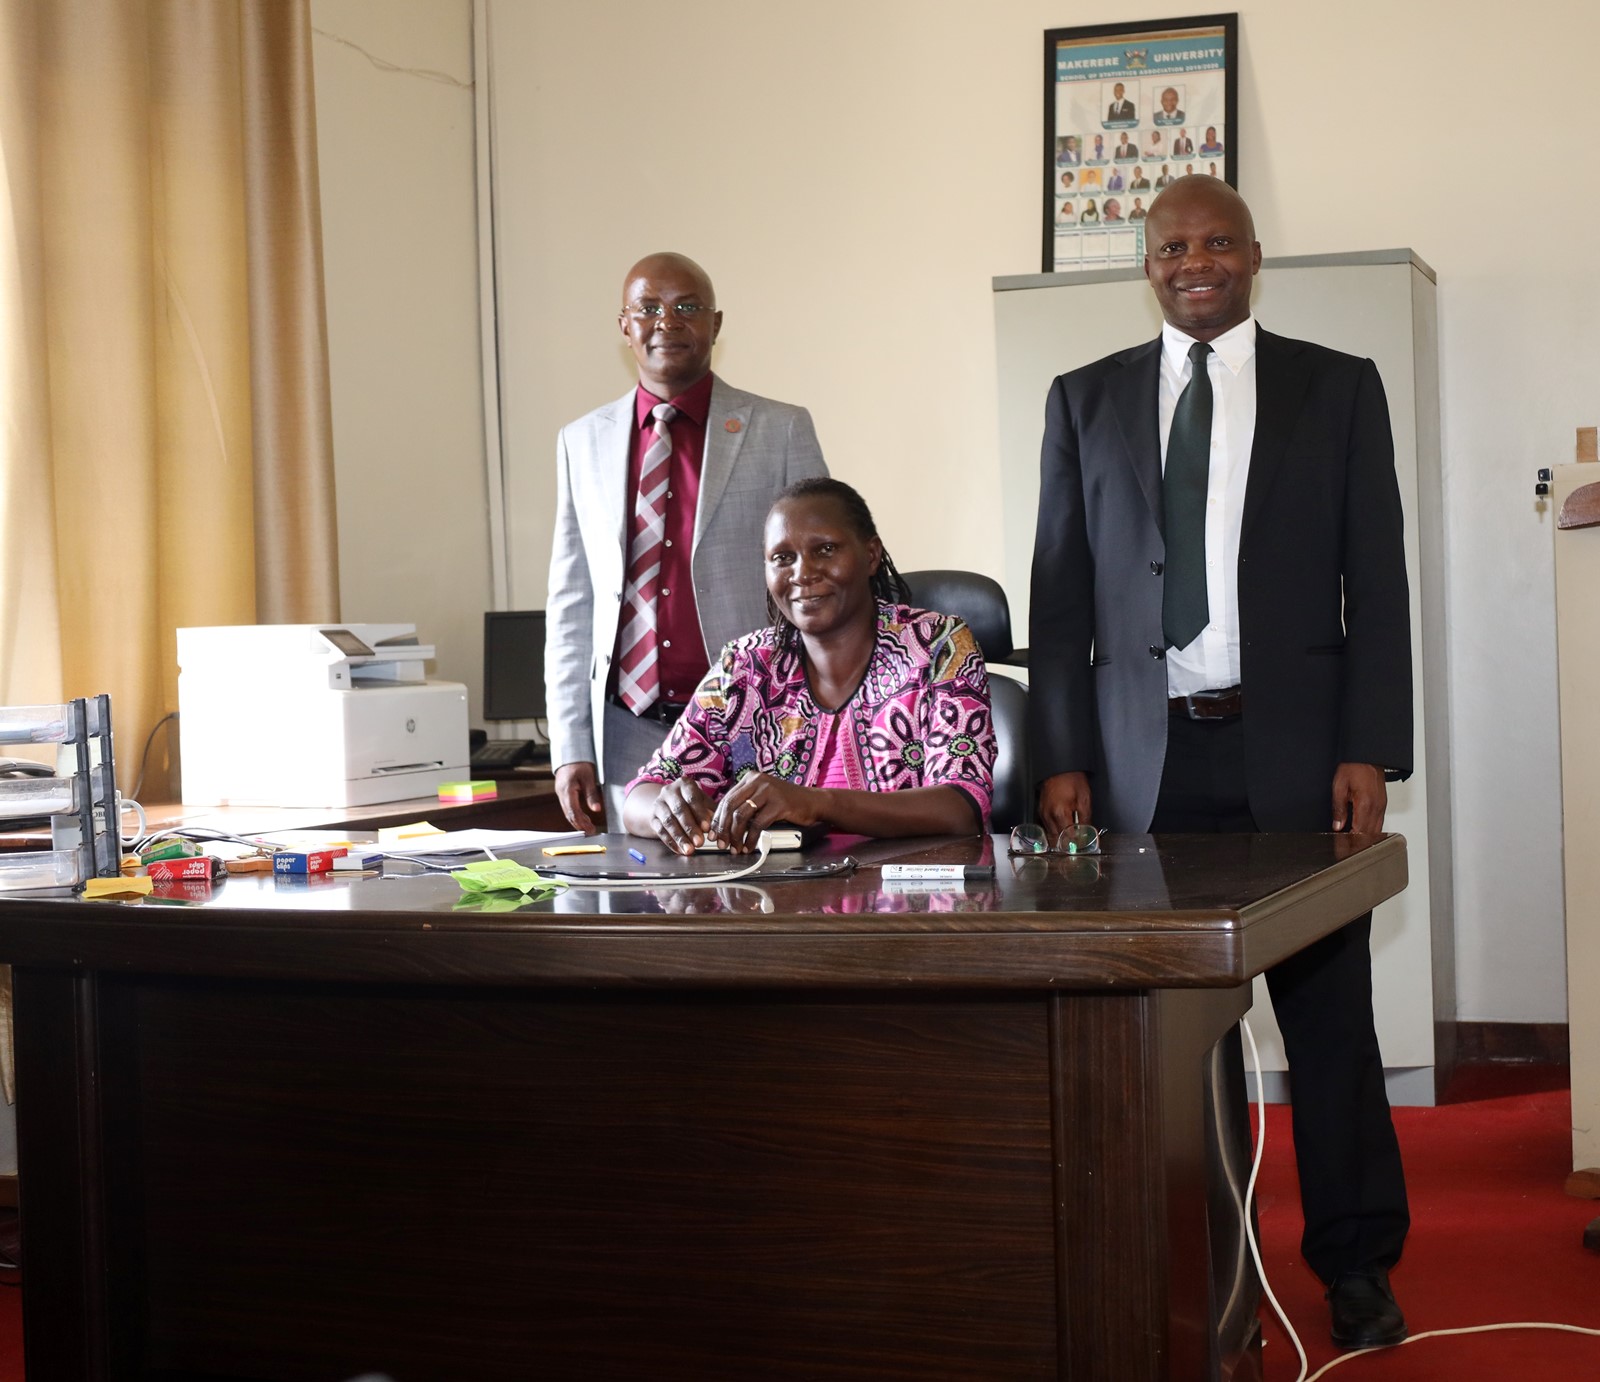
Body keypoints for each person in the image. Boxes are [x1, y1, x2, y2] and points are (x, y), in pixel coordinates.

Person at [1027, 176, 1413, 1352]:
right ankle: (1204, 1250)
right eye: (1170, 246)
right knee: (1173, 1035)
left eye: (1216, 242)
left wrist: (1369, 745)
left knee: (1331, 1023)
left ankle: (1355, 1263)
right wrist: (1062, 754)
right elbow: (1057, 593)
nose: (1194, 261)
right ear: (1145, 265)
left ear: (1254, 254)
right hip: (1147, 767)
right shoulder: (1083, 399)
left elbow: (1376, 575)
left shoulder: (1336, 386)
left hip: (1294, 756)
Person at [546, 252, 828, 832]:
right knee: (639, 912)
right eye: (648, 308)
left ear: (716, 325)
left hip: (757, 723)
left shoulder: (781, 429)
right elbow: (572, 602)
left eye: (687, 307)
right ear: (624, 326)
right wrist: (571, 745)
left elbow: (825, 582)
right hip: (627, 733)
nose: (667, 322)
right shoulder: (582, 442)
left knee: (766, 902)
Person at [624, 478, 996, 852]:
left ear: (870, 556)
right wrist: (667, 807)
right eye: (782, 558)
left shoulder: (937, 646)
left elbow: (960, 807)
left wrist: (815, 802)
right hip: (771, 901)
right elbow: (640, 795)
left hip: (908, 901)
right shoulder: (744, 666)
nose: (802, 573)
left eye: (826, 549)